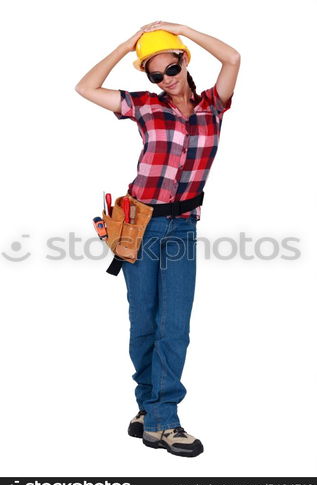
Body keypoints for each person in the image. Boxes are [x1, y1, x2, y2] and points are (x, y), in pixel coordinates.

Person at [75, 20, 240, 458]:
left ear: (183, 62)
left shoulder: (214, 106)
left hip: (183, 226)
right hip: (139, 225)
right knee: (144, 321)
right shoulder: (146, 106)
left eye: (169, 68)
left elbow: (233, 58)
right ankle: (148, 406)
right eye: (153, 74)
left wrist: (182, 29)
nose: (164, 79)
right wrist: (126, 46)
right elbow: (86, 88)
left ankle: (164, 419)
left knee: (174, 326)